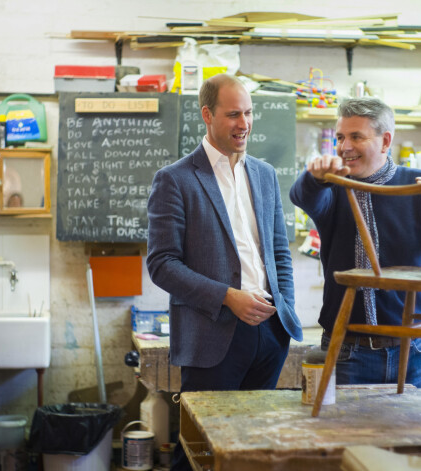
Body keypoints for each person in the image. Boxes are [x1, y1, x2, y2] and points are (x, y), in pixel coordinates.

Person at [147, 74, 302, 470]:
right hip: (213, 336)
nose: (244, 123)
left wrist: (284, 308)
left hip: (270, 333)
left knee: (253, 448)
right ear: (207, 115)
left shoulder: (265, 175)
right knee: (199, 449)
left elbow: (279, 251)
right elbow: (162, 264)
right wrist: (227, 297)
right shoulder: (176, 179)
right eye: (233, 114)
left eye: (249, 113)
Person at [289, 97, 421, 388]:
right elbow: (302, 196)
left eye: (356, 137)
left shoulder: (419, 185)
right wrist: (315, 177)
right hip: (347, 351)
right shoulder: (335, 185)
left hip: (414, 350)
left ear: (385, 141)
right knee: (347, 434)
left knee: (419, 434)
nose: (344, 146)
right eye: (340, 137)